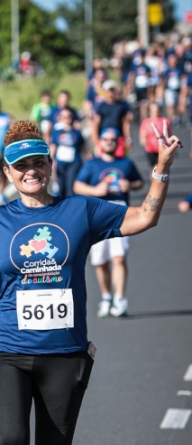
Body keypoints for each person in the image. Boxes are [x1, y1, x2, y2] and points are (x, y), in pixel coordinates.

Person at [0, 119, 180, 445]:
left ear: (50, 165)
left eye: (39, 162)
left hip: (64, 353)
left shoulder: (81, 211)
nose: (32, 171)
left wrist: (161, 168)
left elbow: (145, 217)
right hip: (8, 350)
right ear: (8, 173)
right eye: (21, 166)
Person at [73, 127, 144, 317]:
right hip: (97, 213)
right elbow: (77, 186)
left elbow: (139, 183)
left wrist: (130, 185)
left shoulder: (126, 163)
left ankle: (119, 298)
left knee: (119, 257)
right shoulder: (91, 164)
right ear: (100, 142)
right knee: (101, 261)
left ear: (118, 142)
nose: (109, 142)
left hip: (120, 212)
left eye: (113, 139)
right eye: (105, 139)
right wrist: (96, 191)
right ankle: (106, 297)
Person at [49, 108, 89, 197]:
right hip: (60, 163)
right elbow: (53, 147)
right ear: (61, 118)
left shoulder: (77, 132)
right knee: (60, 188)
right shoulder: (57, 132)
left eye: (69, 116)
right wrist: (50, 161)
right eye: (64, 117)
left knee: (70, 188)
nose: (67, 119)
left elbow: (84, 148)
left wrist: (91, 159)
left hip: (74, 164)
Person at [92, 80, 133, 158]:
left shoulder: (121, 105)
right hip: (104, 137)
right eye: (109, 91)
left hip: (118, 137)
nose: (111, 93)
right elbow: (96, 123)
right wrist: (95, 139)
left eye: (112, 90)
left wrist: (128, 139)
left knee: (119, 158)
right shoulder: (101, 106)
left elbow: (125, 123)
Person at [139, 102, 172, 168]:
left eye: (156, 110)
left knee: (161, 167)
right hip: (150, 149)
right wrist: (143, 140)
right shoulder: (146, 122)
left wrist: (172, 147)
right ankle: (153, 178)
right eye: (153, 110)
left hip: (162, 148)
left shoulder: (165, 120)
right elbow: (142, 134)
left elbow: (169, 134)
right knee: (153, 167)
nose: (155, 112)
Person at [127, 49, 152, 121]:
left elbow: (150, 77)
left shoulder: (146, 67)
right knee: (137, 104)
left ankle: (144, 119)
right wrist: (131, 85)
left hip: (144, 87)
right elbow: (132, 76)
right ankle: (138, 116)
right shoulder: (134, 66)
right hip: (137, 88)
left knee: (144, 104)